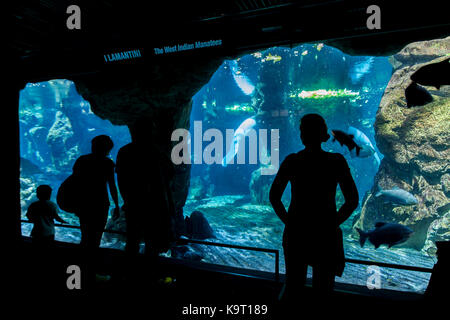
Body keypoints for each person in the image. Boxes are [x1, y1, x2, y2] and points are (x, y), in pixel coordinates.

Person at [269, 113, 358, 302]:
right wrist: (333, 223)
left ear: (302, 135)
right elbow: (352, 200)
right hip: (325, 234)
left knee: (293, 286)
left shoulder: (292, 161)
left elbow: (274, 196)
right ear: (323, 134)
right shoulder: (336, 162)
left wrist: (289, 222)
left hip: (296, 233)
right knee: (324, 290)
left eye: (302, 130)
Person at [116, 118, 175, 281]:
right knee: (152, 241)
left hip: (134, 202)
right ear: (150, 132)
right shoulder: (156, 152)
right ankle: (149, 275)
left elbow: (121, 179)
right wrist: (169, 205)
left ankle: (129, 275)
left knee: (132, 239)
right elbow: (168, 177)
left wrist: (126, 200)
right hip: (155, 204)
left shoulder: (124, 152)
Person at [72, 135, 120, 280]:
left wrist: (75, 202)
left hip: (84, 203)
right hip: (100, 204)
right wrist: (117, 205)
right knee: (96, 237)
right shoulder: (107, 163)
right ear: (107, 149)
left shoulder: (82, 160)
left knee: (85, 235)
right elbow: (112, 185)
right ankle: (90, 271)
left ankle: (80, 270)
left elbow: (74, 182)